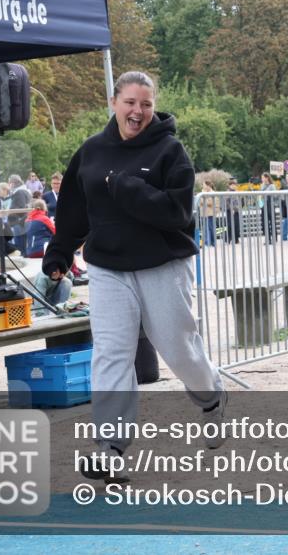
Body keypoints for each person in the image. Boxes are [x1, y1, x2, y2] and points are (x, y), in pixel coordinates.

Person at [42, 71, 227, 482]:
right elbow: (74, 210)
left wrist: (127, 188)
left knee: (178, 349)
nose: (137, 111)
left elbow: (178, 212)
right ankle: (110, 446)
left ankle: (211, 394)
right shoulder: (91, 151)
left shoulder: (170, 151)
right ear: (113, 102)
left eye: (145, 104)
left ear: (153, 106)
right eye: (129, 102)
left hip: (161, 265)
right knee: (111, 352)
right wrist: (59, 251)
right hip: (108, 268)